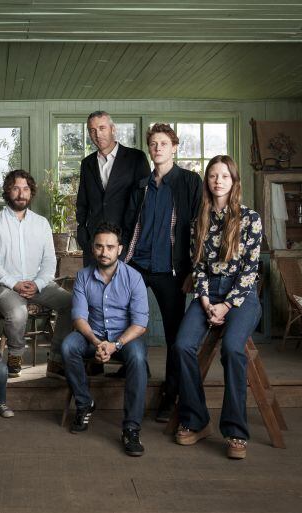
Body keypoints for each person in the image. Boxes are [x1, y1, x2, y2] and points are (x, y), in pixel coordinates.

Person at [172, 155, 263, 460]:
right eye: (212, 175)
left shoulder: (250, 218)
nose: (218, 180)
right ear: (207, 182)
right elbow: (197, 266)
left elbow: (250, 271)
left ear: (234, 181)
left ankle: (236, 432)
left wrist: (226, 305)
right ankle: (197, 420)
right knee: (182, 345)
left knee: (233, 350)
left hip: (242, 297)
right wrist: (206, 300)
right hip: (208, 295)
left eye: (224, 175)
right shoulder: (199, 220)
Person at [122, 123, 202, 422]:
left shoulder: (189, 182)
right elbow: (130, 226)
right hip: (137, 267)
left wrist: (193, 269)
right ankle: (137, 377)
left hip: (172, 271)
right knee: (128, 324)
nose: (157, 148)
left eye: (163, 143)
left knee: (174, 335)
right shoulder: (141, 186)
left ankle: (171, 396)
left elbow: (199, 229)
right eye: (153, 144)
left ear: (174, 147)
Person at [60, 223, 150, 457]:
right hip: (93, 335)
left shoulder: (134, 278)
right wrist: (97, 341)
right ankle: (84, 403)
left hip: (125, 339)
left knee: (139, 357)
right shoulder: (83, 276)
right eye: (99, 246)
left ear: (119, 249)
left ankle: (131, 427)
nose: (104, 252)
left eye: (110, 247)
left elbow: (140, 323)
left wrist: (115, 345)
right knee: (69, 345)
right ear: (93, 248)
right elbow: (79, 317)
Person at [0, 169, 72, 378]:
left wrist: (38, 283)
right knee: (18, 312)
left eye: (25, 189)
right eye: (15, 189)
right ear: (7, 192)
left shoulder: (41, 224)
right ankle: (14, 355)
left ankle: (56, 360)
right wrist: (14, 284)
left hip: (38, 284)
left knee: (71, 304)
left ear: (31, 192)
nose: (21, 194)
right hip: (5, 287)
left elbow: (50, 260)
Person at [76, 111, 150, 267]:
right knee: (93, 289)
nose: (98, 134)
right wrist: (83, 234)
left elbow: (145, 201)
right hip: (94, 243)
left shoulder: (136, 158)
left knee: (122, 289)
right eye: (92, 130)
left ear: (112, 129)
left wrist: (135, 239)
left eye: (102, 128)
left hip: (126, 242)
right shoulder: (87, 163)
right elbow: (82, 202)